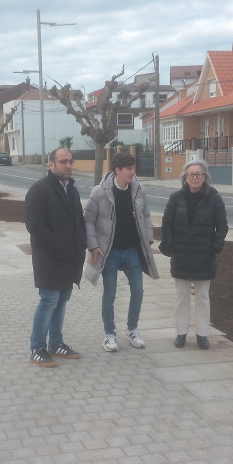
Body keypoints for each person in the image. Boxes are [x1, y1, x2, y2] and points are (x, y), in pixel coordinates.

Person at [83, 151, 159, 352]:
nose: (133, 173)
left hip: (133, 250)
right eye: (129, 169)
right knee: (110, 294)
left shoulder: (138, 189)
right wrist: (92, 245)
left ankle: (132, 329)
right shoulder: (99, 192)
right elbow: (88, 221)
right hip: (110, 252)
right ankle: (109, 335)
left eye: (134, 169)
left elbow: (145, 215)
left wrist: (148, 238)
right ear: (117, 170)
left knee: (139, 291)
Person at [25, 147, 87, 367]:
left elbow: (79, 220)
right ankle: (37, 348)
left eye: (70, 161)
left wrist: (82, 245)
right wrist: (57, 244)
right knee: (49, 300)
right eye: (63, 162)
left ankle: (56, 343)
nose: (68, 165)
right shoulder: (39, 190)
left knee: (62, 300)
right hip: (48, 257)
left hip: (70, 256)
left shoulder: (72, 190)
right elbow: (34, 225)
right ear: (51, 165)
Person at [159, 159, 228, 350]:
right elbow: (167, 224)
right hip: (181, 255)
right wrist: (171, 245)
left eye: (198, 174)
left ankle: (202, 335)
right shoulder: (175, 198)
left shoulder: (214, 198)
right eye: (191, 174)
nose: (195, 178)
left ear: (205, 177)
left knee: (203, 297)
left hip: (204, 256)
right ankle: (181, 333)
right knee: (181, 297)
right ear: (185, 177)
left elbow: (222, 226)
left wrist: (214, 246)